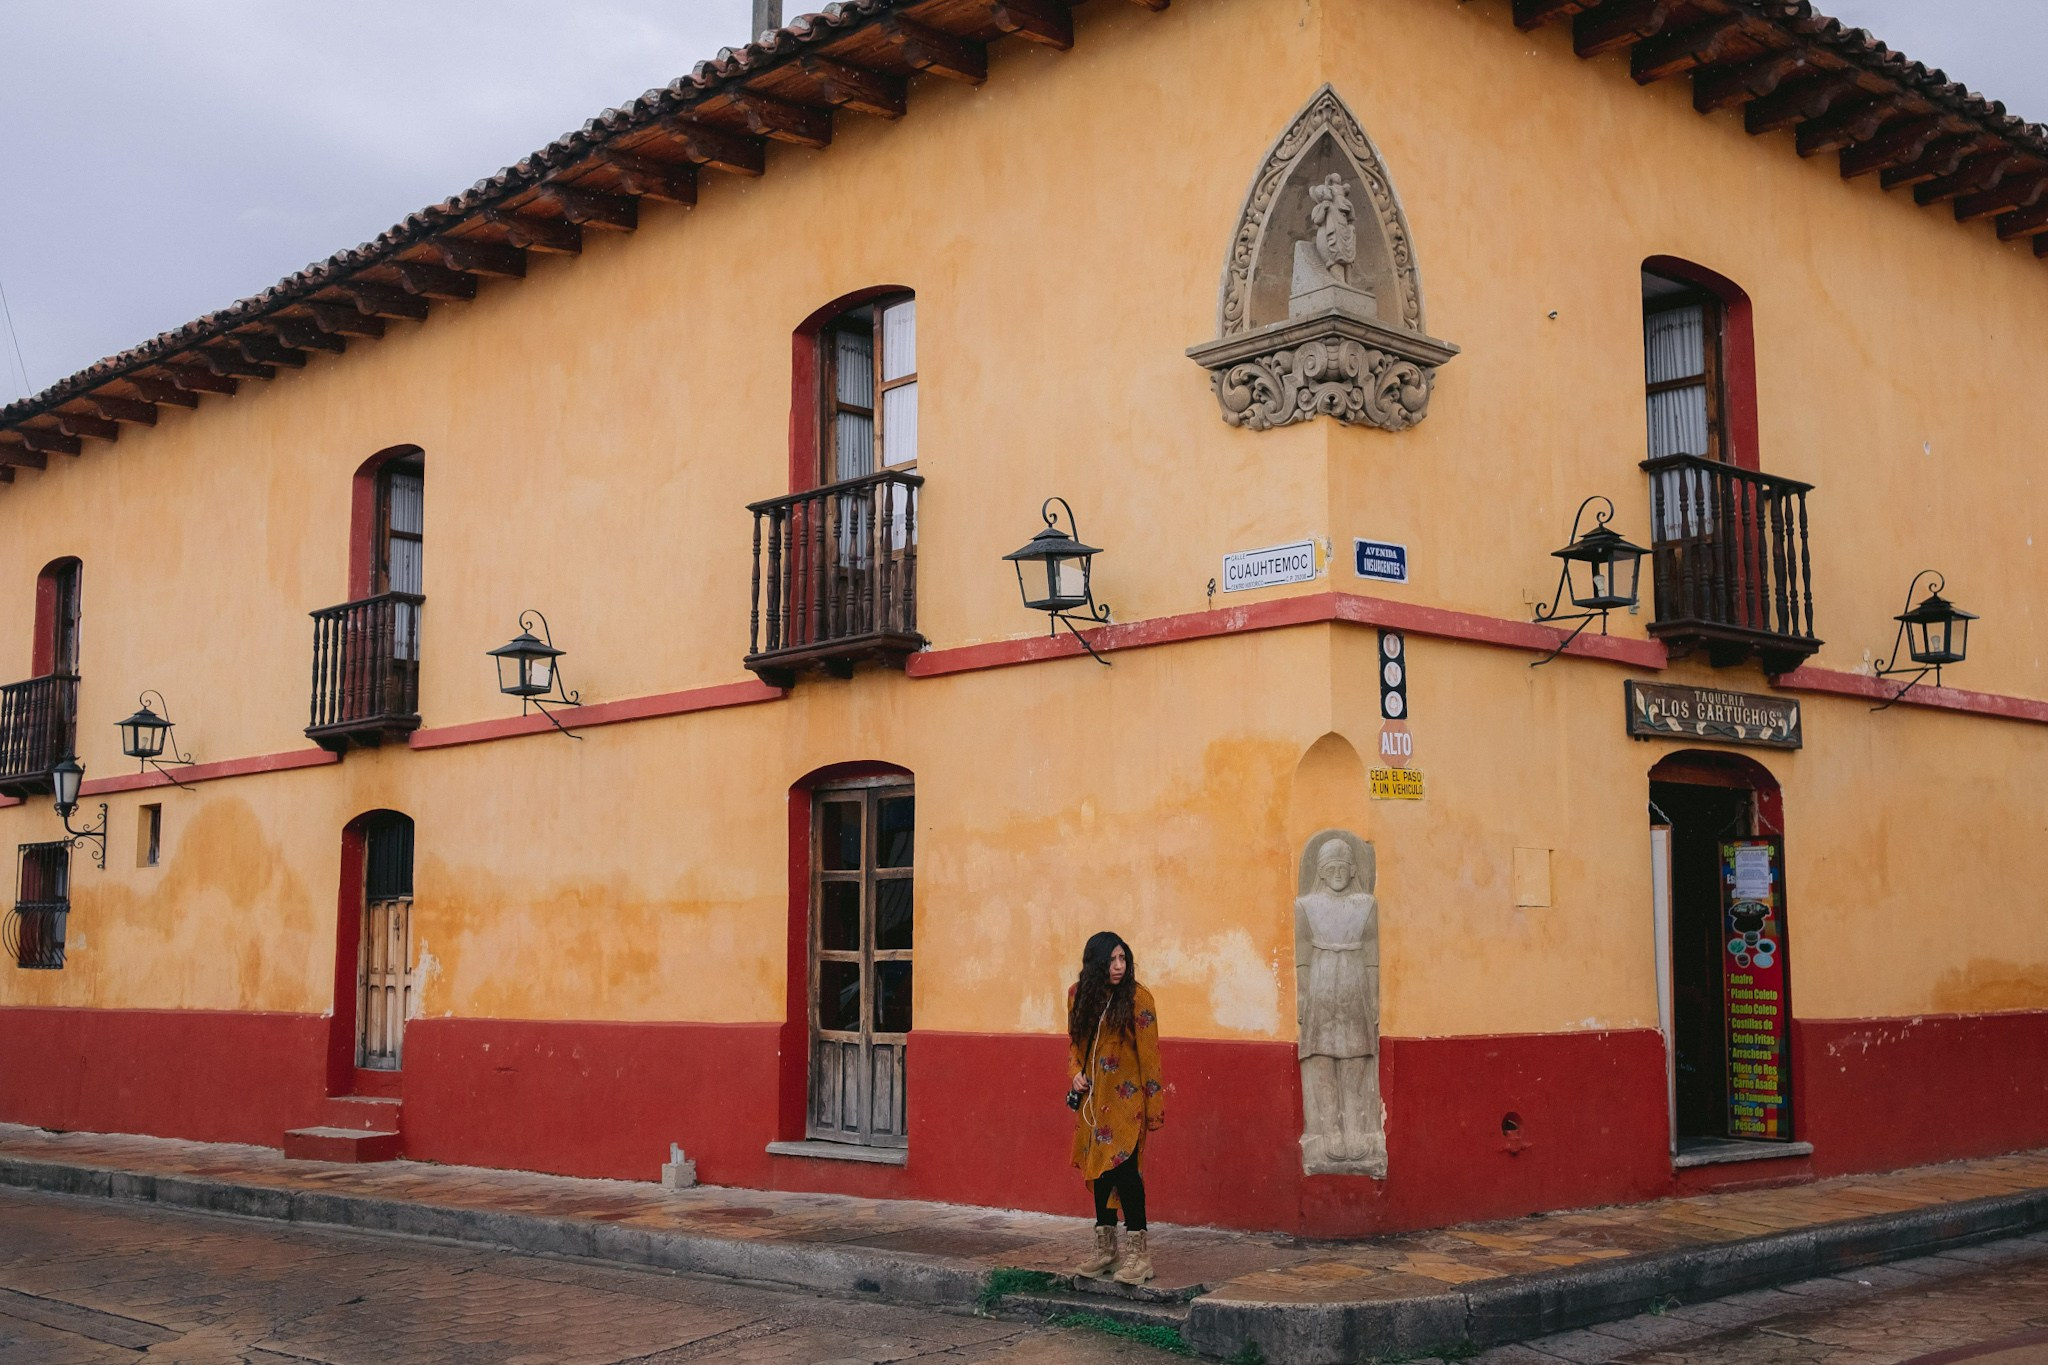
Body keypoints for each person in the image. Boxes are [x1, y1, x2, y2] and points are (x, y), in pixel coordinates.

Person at [1065, 930, 1164, 1284]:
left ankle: (1140, 1257)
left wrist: (1154, 1108)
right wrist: (1075, 1073)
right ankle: (1106, 1251)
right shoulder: (1079, 997)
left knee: (1126, 1173)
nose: (1119, 966)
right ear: (1096, 964)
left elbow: (1150, 1059)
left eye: (1123, 959)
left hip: (1127, 1103)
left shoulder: (1139, 999)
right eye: (1111, 960)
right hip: (1094, 1103)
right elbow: (1074, 1045)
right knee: (1100, 1171)